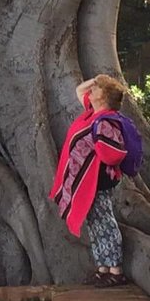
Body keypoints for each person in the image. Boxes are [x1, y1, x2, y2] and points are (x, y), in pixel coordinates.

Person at [50, 74, 129, 287]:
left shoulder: (106, 121)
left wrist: (96, 151)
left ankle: (115, 270)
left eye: (97, 89)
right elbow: (79, 90)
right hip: (88, 182)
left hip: (97, 182)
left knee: (105, 222)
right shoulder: (92, 114)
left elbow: (112, 154)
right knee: (94, 223)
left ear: (104, 97)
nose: (91, 91)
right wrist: (97, 81)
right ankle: (103, 268)